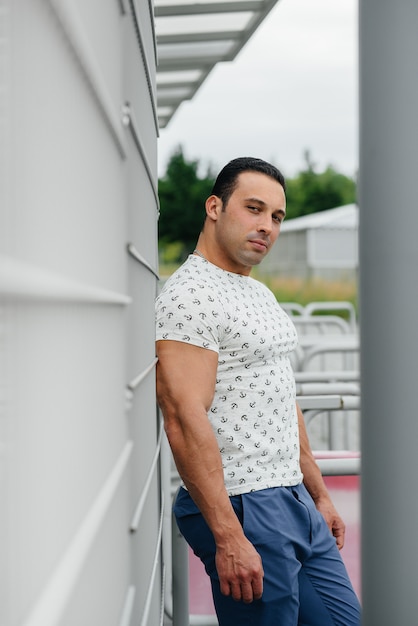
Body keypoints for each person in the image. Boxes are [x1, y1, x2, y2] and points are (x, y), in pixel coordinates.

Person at [155, 157, 361, 625]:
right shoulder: (190, 296)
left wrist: (318, 494)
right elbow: (183, 416)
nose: (266, 226)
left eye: (276, 216)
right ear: (214, 206)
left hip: (293, 497)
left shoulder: (257, 292)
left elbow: (281, 397)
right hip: (245, 503)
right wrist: (227, 533)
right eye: (253, 208)